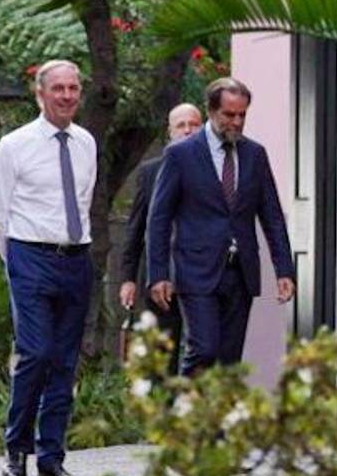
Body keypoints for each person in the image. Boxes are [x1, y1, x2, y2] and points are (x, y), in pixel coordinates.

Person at [0, 59, 95, 476]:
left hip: (75, 257)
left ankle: (51, 458)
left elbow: (83, 201)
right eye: (58, 89)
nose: (67, 96)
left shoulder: (86, 143)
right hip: (30, 255)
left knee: (66, 361)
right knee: (36, 352)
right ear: (40, 94)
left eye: (73, 88)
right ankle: (17, 446)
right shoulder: (15, 145)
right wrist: (17, 264)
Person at [147, 78, 295, 376]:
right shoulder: (181, 154)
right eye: (229, 115)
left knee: (229, 361)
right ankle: (185, 413)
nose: (236, 122)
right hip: (196, 269)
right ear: (212, 111)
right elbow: (159, 218)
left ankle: (216, 422)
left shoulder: (255, 154)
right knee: (204, 348)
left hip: (240, 272)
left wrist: (284, 269)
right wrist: (158, 274)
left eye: (242, 115)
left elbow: (272, 216)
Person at [118, 103, 201, 374]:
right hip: (161, 278)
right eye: (181, 125)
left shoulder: (215, 168)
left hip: (202, 276)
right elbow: (136, 227)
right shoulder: (151, 171)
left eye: (194, 124)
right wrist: (128, 278)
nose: (188, 130)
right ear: (170, 132)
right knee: (162, 354)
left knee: (199, 350)